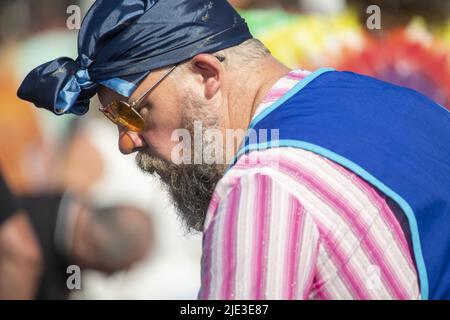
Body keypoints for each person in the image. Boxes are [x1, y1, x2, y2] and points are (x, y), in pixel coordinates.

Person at [17, 0, 450, 300]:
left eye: (132, 113)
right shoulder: (395, 99)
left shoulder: (261, 184)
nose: (127, 142)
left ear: (205, 74)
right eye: (114, 120)